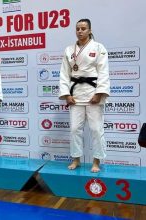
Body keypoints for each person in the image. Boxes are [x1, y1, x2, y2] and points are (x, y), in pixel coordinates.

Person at [59, 18, 110, 173]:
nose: (80, 31)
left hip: (93, 92)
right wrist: (67, 94)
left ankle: (96, 161)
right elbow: (64, 74)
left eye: (83, 28)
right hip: (76, 94)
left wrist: (99, 93)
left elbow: (103, 71)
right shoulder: (69, 50)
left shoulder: (99, 47)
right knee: (75, 129)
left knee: (96, 129)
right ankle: (76, 159)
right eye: (78, 29)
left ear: (90, 30)